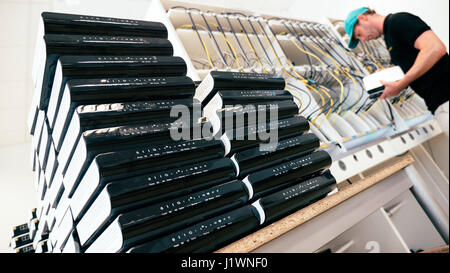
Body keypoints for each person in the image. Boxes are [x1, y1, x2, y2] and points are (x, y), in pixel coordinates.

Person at [344, 7, 449, 137]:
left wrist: (401, 84)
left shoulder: (398, 21)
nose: (363, 40)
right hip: (439, 103)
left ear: (362, 18)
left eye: (359, 34)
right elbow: (417, 61)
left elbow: (435, 48)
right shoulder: (389, 36)